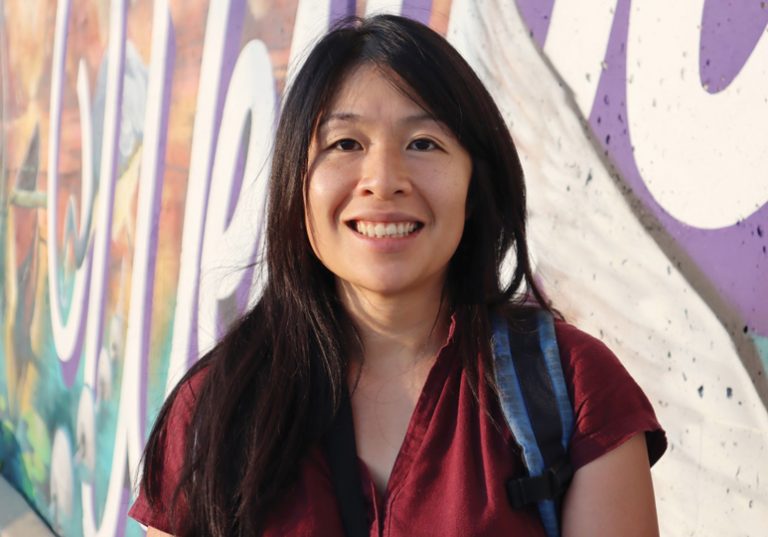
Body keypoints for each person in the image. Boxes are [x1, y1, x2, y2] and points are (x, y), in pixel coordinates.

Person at [129, 14, 666, 537]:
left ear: (474, 187)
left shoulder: (575, 388)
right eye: (346, 144)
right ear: (298, 184)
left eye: (423, 144)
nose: (384, 182)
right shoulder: (216, 409)